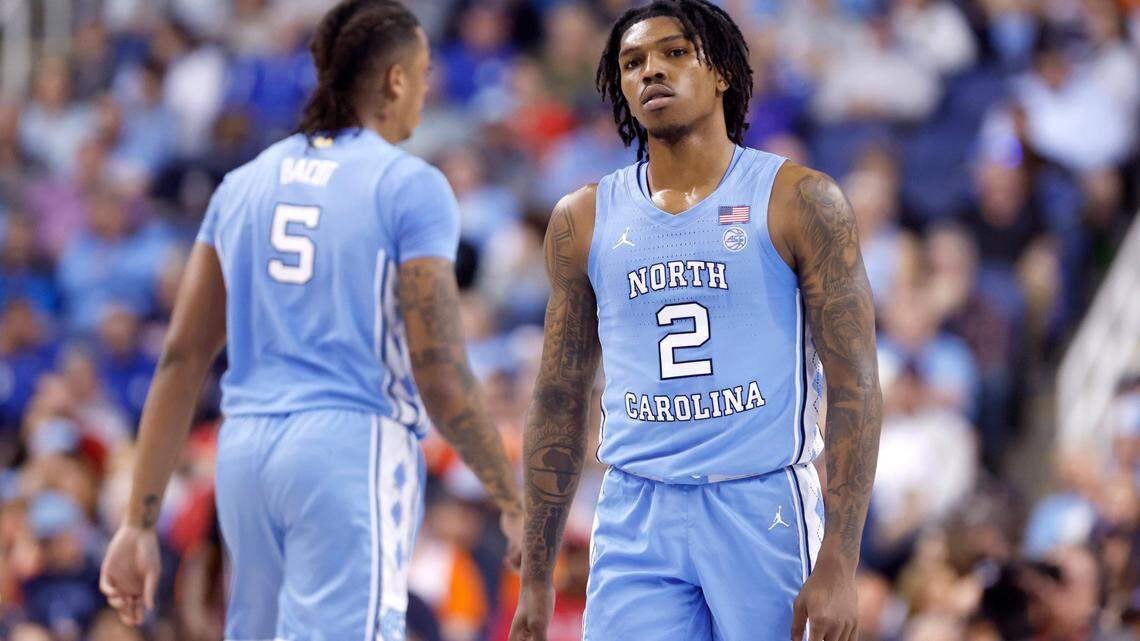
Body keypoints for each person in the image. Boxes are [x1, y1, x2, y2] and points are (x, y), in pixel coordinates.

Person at [99, 2, 523, 640]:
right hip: (347, 444)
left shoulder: (242, 183)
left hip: (246, 453)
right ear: (397, 80)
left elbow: (182, 357)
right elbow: (437, 366)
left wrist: (137, 523)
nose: (426, 89)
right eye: (424, 73)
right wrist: (511, 497)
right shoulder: (411, 184)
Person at [509, 2, 882, 640]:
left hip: (760, 503)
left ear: (722, 73)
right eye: (633, 63)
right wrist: (537, 574)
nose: (652, 71)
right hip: (634, 507)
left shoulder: (800, 199)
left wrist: (841, 561)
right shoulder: (583, 217)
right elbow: (559, 395)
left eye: (675, 52)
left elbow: (856, 386)